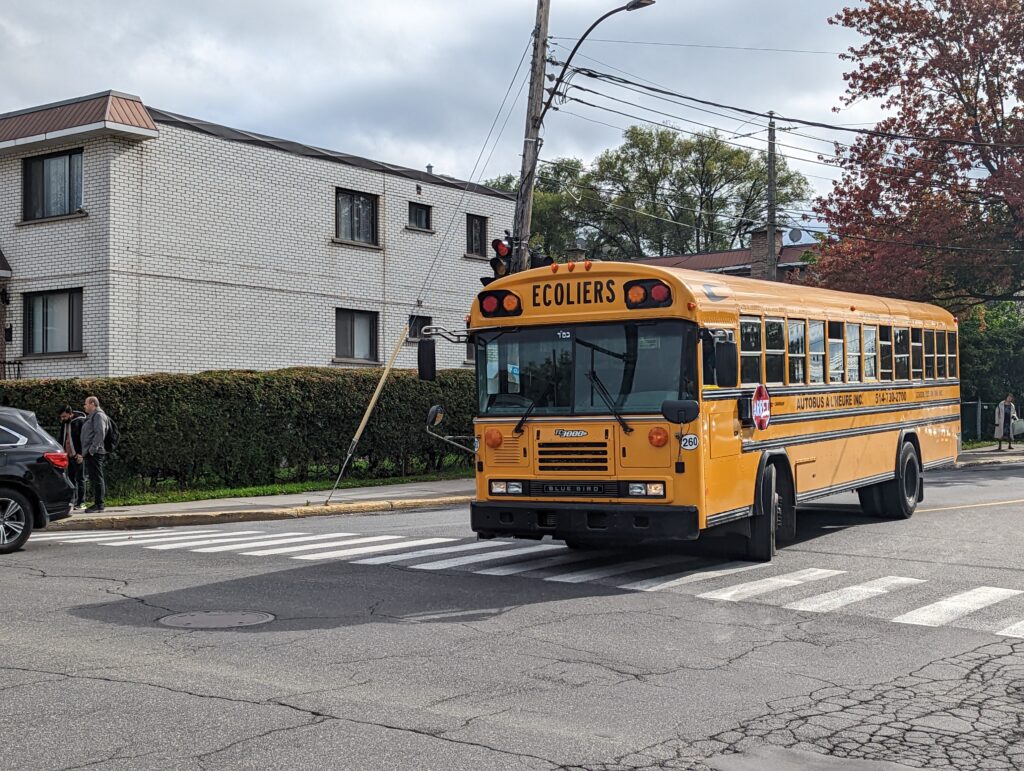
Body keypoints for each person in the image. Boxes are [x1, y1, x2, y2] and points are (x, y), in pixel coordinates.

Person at [77, 396, 109, 512]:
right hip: (91, 452)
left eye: (86, 404)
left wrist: (92, 450)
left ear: (92, 403)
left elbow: (100, 433)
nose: (84, 406)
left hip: (95, 453)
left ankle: (99, 504)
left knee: (97, 478)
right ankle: (98, 503)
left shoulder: (99, 415)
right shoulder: (93, 416)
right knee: (94, 478)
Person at [58, 405, 86, 509]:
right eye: (61, 417)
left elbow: (83, 439)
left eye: (64, 416)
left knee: (80, 479)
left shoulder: (79, 422)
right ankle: (73, 500)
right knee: (70, 479)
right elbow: (62, 438)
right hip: (67, 455)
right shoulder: (64, 423)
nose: (62, 419)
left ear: (70, 414)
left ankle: (81, 502)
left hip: (77, 455)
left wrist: (81, 454)